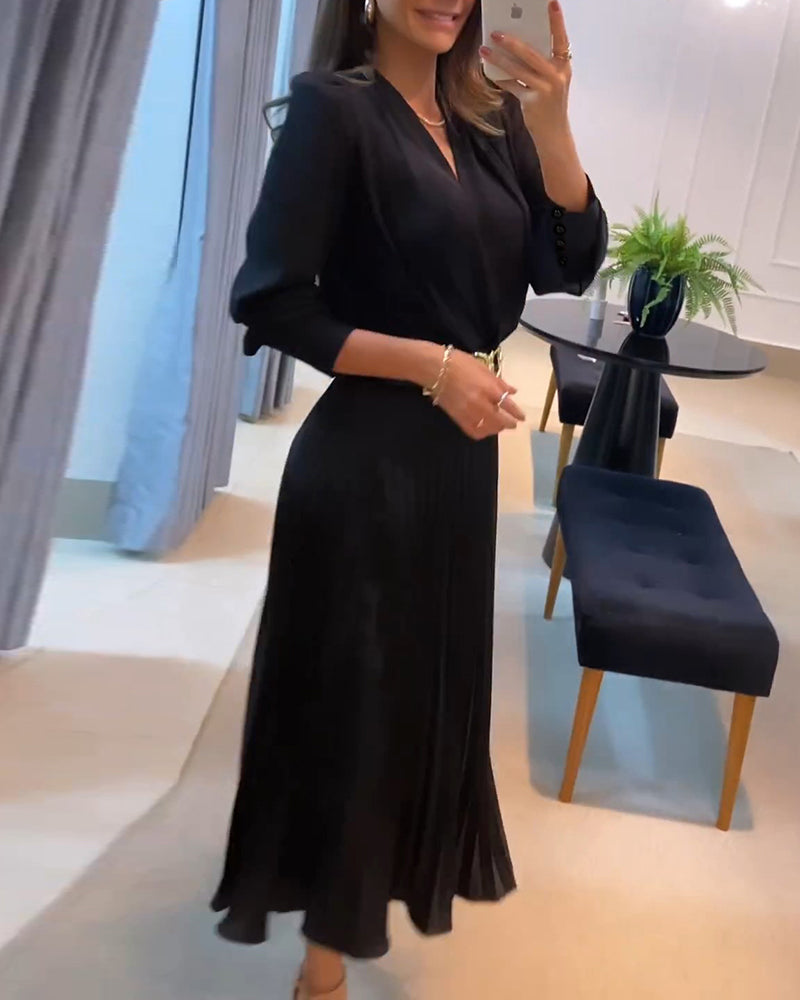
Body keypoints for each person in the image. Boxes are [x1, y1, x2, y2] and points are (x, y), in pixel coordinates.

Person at [212, 0, 606, 996]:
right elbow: (271, 299)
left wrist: (554, 118)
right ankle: (323, 965)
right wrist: (433, 366)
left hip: (460, 460)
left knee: (419, 697)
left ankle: (365, 891)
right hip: (365, 460)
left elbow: (565, 264)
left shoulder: (490, 119)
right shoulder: (333, 110)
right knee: (355, 701)